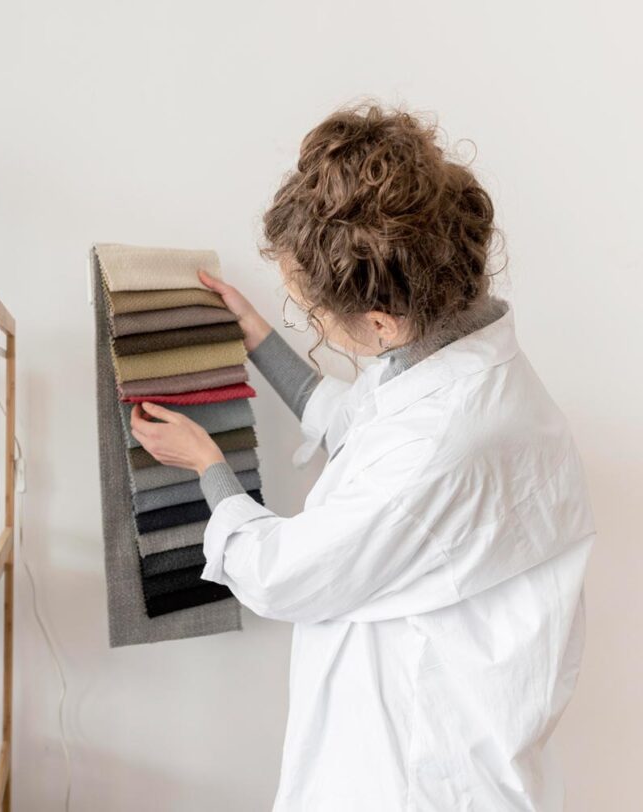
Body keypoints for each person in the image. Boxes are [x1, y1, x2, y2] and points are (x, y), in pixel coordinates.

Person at [129, 102, 595, 811]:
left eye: (311, 312)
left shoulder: (437, 444)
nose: (309, 319)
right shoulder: (454, 353)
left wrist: (207, 466)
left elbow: (282, 573)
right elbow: (361, 418)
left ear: (381, 322)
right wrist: (259, 338)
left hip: (418, 778)